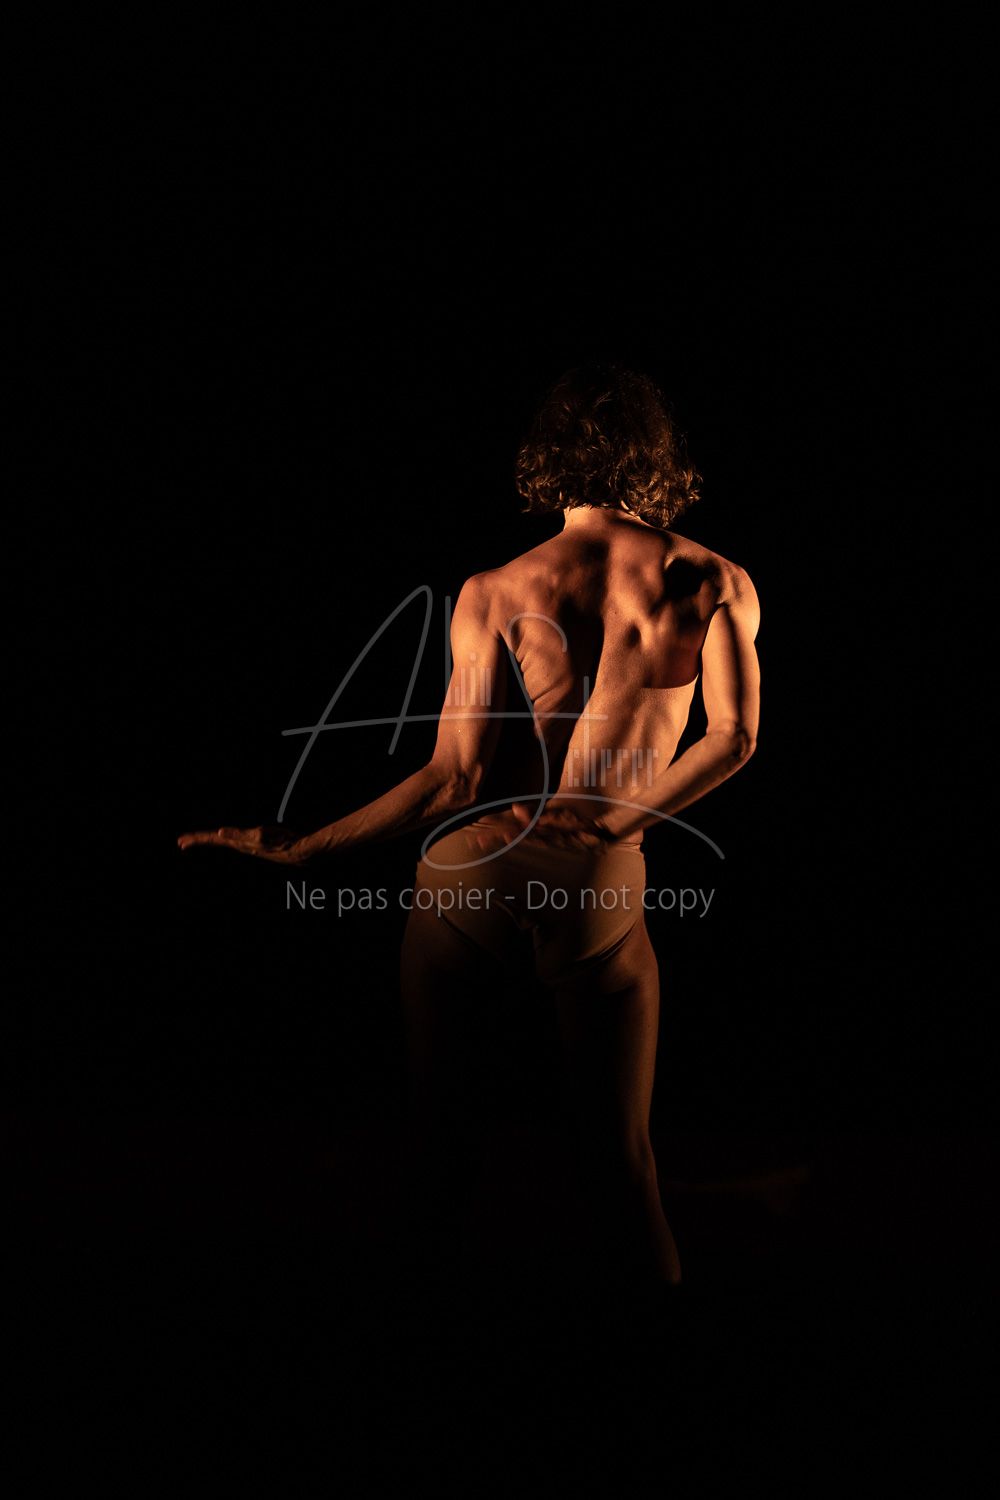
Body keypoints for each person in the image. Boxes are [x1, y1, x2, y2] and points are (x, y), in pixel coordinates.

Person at [178, 363, 760, 1309]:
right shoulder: (712, 579)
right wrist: (615, 820)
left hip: (469, 879)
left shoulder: (494, 589)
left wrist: (305, 847)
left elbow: (457, 778)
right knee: (623, 1167)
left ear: (548, 461)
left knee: (440, 1158)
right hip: (599, 884)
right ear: (655, 460)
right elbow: (733, 739)